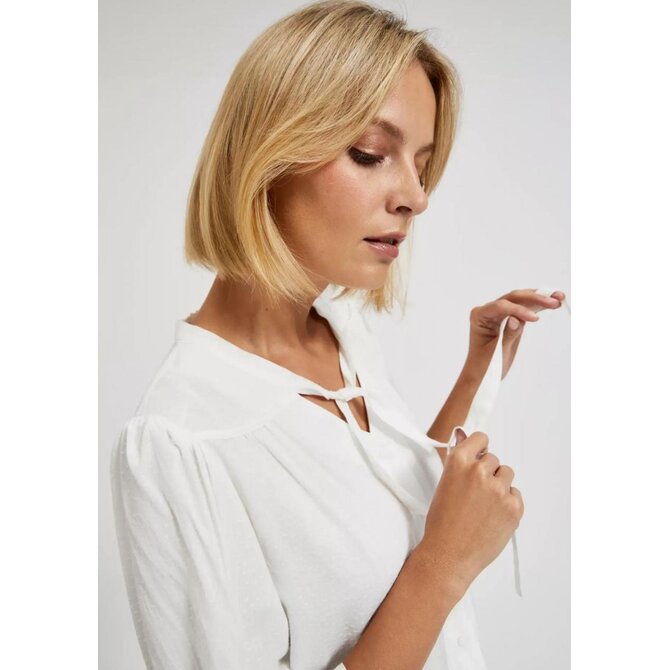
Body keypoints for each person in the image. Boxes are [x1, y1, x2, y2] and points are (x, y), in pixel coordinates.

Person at [109, 1, 565, 668]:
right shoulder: (183, 443)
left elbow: (393, 512)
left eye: (421, 164)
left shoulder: (339, 334)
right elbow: (427, 559)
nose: (417, 196)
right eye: (371, 154)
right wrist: (444, 565)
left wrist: (477, 372)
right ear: (269, 155)